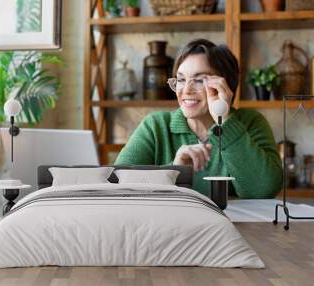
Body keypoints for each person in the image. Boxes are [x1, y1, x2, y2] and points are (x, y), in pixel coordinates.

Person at [114, 38, 282, 199]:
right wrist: (174, 171)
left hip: (232, 227)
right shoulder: (155, 126)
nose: (185, 90)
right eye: (180, 80)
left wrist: (225, 121)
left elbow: (264, 190)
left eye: (199, 80)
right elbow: (116, 183)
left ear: (226, 84)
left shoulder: (250, 122)